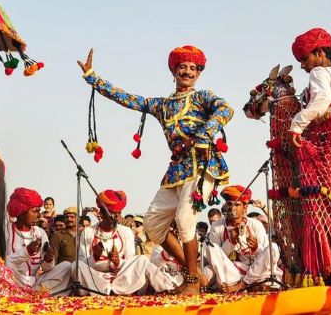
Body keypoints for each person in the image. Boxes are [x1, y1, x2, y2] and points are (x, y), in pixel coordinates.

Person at [78, 46, 234, 294]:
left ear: (198, 73)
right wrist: (93, 78)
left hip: (201, 165)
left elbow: (225, 109)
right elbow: (128, 99)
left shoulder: (204, 96)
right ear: (174, 71)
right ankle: (194, 273)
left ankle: (192, 281)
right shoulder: (162, 105)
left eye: (193, 68)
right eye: (182, 67)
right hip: (177, 170)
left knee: (184, 220)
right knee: (152, 225)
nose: (187, 72)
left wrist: (205, 134)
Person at [75, 190, 177, 295]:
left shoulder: (125, 231)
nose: (116, 217)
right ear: (101, 213)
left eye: (118, 213)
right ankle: (105, 292)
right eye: (112, 212)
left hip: (121, 278)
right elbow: (82, 262)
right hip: (96, 279)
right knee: (75, 266)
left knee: (141, 259)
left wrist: (117, 261)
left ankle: (167, 288)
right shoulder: (88, 232)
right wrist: (95, 257)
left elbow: (130, 260)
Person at [288, 28, 331, 147]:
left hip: (328, 140)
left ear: (320, 52)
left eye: (305, 59)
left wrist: (297, 125)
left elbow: (322, 99)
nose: (302, 66)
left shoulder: (318, 72)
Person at [203, 185, 282, 292]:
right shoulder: (217, 226)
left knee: (273, 247)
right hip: (232, 272)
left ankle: (243, 284)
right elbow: (215, 259)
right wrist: (231, 242)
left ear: (245, 207)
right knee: (211, 249)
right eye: (229, 204)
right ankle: (251, 285)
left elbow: (263, 258)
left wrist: (256, 247)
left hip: (256, 272)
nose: (232, 208)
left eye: (236, 205)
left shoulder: (255, 224)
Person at [4, 188, 72, 294]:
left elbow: (46, 268)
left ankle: (34, 293)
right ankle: (28, 293)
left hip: (36, 282)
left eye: (39, 211)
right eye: (35, 211)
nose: (39, 215)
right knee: (4, 264)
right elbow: (5, 262)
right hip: (14, 281)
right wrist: (27, 252)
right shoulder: (6, 231)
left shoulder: (40, 233)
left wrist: (49, 259)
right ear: (22, 212)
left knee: (67, 266)